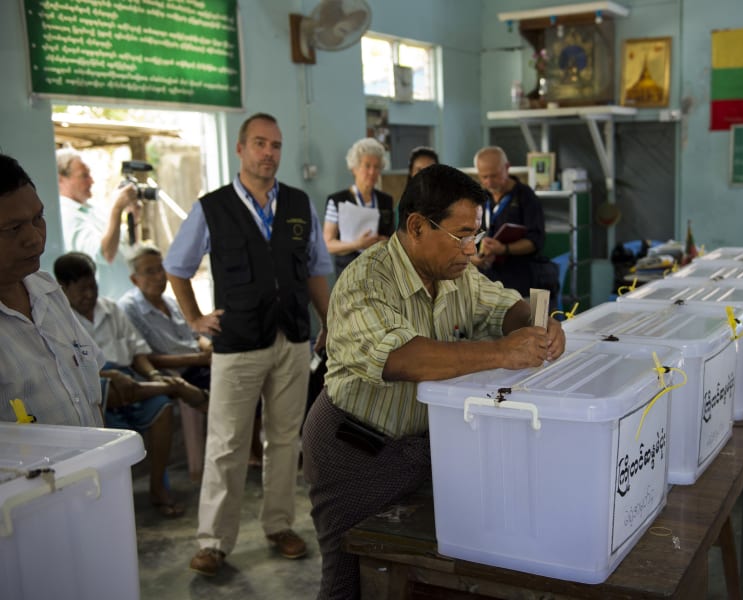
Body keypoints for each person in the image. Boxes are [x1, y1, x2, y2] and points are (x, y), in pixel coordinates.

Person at [302, 163, 566, 599]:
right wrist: (502, 351)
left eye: (476, 235)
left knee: (422, 577)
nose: (471, 248)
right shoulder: (364, 282)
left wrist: (539, 325)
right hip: (355, 450)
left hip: (422, 449)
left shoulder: (455, 274)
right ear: (417, 226)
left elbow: (503, 306)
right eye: (461, 234)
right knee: (350, 581)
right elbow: (403, 358)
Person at [163, 112, 331, 577]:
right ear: (240, 149)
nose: (269, 153)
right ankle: (214, 541)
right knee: (226, 444)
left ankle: (279, 525)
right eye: (259, 143)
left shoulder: (299, 203)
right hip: (237, 343)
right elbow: (176, 267)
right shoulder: (211, 207)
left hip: (292, 338)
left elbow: (316, 268)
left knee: (283, 439)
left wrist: (328, 320)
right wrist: (195, 318)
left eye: (276, 145)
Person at [54, 251, 207, 518]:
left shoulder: (111, 309)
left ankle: (158, 487)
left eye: (92, 286)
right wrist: (112, 376)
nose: (89, 295)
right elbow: (73, 370)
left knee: (160, 408)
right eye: (81, 290)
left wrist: (154, 375)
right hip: (97, 385)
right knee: (112, 391)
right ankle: (175, 386)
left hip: (131, 379)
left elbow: (138, 353)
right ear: (63, 289)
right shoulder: (60, 322)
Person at [0, 153, 105, 427]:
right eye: (13, 229)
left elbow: (89, 397)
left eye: (38, 218)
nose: (34, 239)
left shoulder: (48, 290)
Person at [119, 244, 212, 482]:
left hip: (200, 363)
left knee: (243, 376)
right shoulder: (129, 308)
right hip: (177, 370)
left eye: (161, 269)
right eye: (150, 271)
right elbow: (146, 357)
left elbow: (194, 333)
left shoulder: (170, 301)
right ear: (134, 279)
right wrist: (199, 358)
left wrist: (206, 346)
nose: (160, 276)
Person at [56, 147, 140, 300]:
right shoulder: (65, 214)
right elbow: (105, 254)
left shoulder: (93, 208)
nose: (92, 181)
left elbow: (127, 246)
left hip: (127, 302)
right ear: (61, 179)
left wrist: (133, 218)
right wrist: (117, 208)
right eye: (84, 176)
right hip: (105, 308)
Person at [471, 146, 548, 297]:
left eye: (494, 176)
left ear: (507, 168)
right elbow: (469, 237)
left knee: (534, 320)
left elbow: (536, 241)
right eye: (484, 177)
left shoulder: (526, 196)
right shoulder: (479, 198)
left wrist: (504, 249)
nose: (489, 182)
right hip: (488, 284)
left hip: (524, 282)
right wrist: (473, 258)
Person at [322, 137, 394, 277]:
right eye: (367, 166)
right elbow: (328, 244)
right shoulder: (337, 201)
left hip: (379, 274)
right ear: (354, 168)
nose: (372, 172)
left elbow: (391, 238)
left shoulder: (386, 200)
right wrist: (357, 244)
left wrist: (384, 242)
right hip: (348, 275)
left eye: (377, 167)